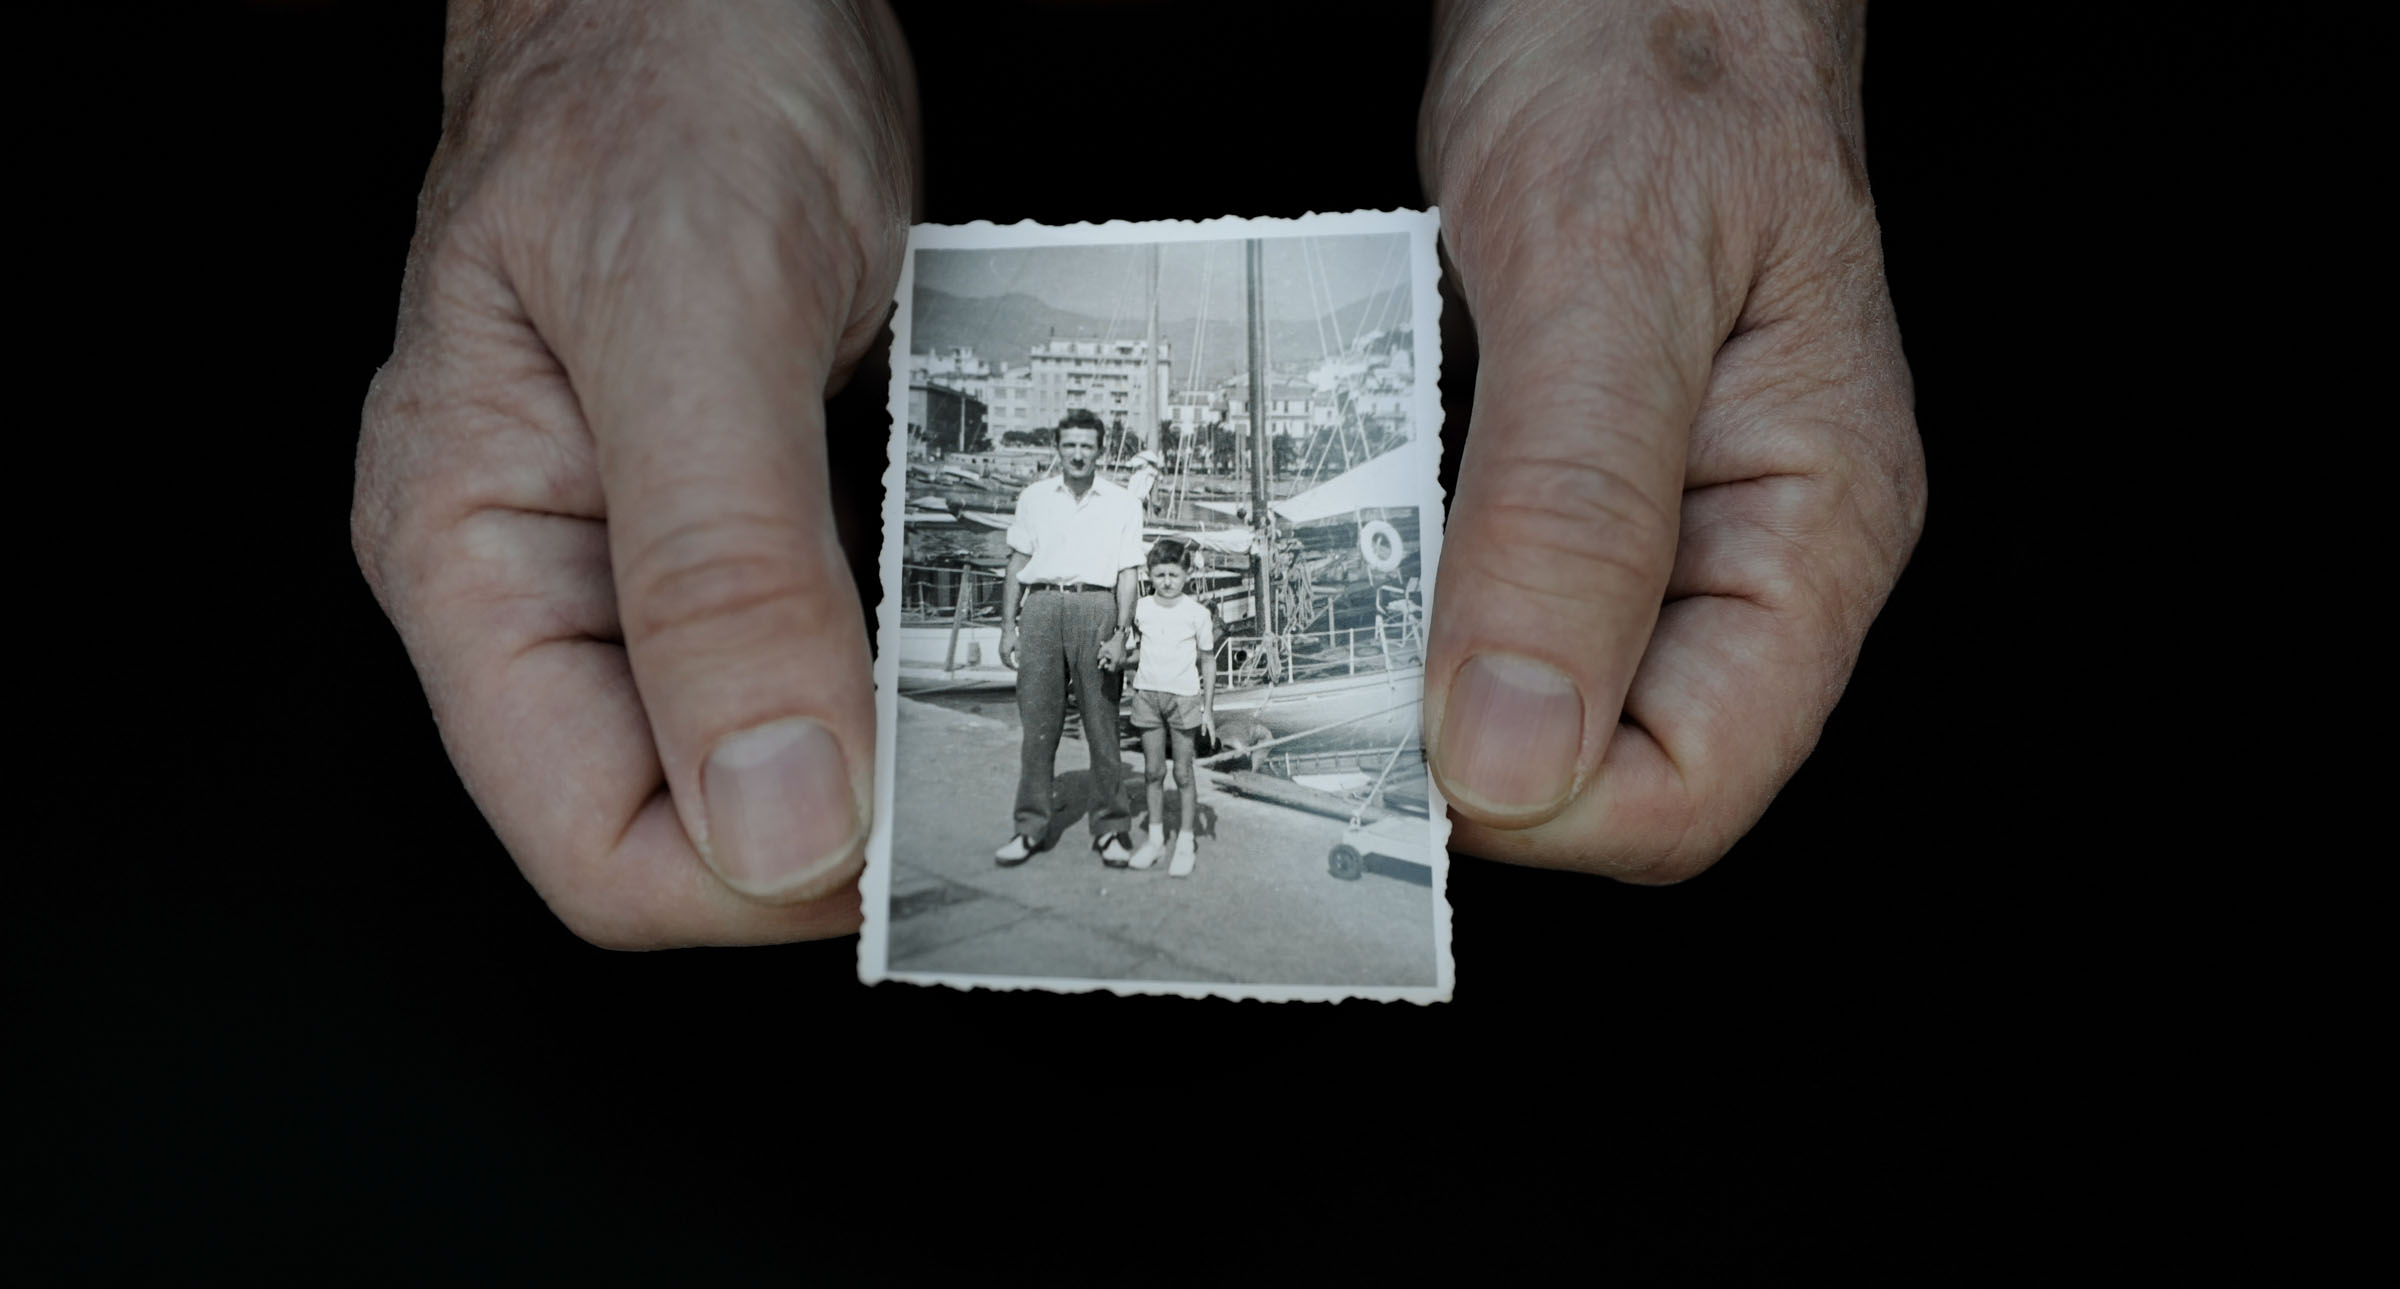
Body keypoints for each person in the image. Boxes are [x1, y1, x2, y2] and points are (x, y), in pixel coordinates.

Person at [350, 0, 1925, 947]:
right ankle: (1048, 822)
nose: (1096, 443)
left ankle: (1125, 825)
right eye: (1090, 433)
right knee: (1044, 721)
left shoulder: (1125, 511)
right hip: (668, 255)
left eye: (1106, 436)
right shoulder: (1046, 495)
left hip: (1611, 254)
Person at [992, 411, 1144, 869]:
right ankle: (1030, 827)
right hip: (1040, 611)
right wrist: (1006, 627)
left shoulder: (1122, 503)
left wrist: (1121, 634)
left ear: (1100, 449)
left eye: (1087, 445)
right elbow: (1017, 564)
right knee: (1038, 730)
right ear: (1057, 448)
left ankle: (1112, 828)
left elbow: (1129, 574)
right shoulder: (1034, 498)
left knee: (1102, 728)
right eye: (1070, 445)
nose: (1078, 454)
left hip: (1097, 609)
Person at [1123, 540, 1215, 877]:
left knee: (1183, 773)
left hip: (1184, 699)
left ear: (1186, 575)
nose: (1166, 581)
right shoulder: (1141, 608)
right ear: (1149, 576)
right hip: (1147, 695)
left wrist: (1208, 711)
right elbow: (1132, 649)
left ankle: (1186, 841)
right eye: (1159, 574)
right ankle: (1155, 839)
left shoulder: (1197, 614)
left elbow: (1207, 663)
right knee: (1152, 772)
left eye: (1173, 574)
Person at [1125, 448, 1163, 513]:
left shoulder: (1148, 470)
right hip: (1137, 495)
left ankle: (1151, 508)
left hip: (1140, 495)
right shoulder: (1138, 473)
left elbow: (1158, 475)